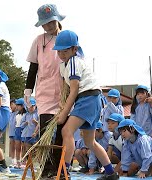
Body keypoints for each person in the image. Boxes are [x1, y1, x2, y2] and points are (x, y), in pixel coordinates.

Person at [53, 30, 118, 180]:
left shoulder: (75, 61)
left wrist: (64, 114)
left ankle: (64, 172)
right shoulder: (64, 66)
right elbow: (66, 89)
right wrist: (62, 106)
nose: (61, 54)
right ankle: (111, 173)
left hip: (88, 98)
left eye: (65, 50)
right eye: (59, 51)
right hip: (91, 100)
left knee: (66, 131)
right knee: (90, 141)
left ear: (74, 49)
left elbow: (74, 89)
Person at [23, 4, 66, 177]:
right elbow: (33, 67)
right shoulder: (39, 41)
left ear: (57, 19)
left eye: (51, 22)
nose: (48, 26)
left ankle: (60, 168)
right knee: (45, 130)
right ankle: (47, 168)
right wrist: (28, 90)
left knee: (62, 132)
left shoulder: (66, 37)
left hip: (64, 92)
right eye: (45, 24)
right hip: (45, 91)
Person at [13, 98, 26, 169]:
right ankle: (18, 162)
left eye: (18, 105)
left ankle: (24, 162)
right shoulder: (17, 114)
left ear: (22, 106)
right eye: (16, 105)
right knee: (17, 147)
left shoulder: (26, 114)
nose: (17, 107)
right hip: (17, 129)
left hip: (24, 130)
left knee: (24, 147)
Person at [8, 99, 17, 167]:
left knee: (18, 147)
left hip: (17, 132)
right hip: (11, 132)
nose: (10, 106)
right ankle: (13, 161)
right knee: (12, 146)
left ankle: (17, 161)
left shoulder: (18, 113)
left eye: (12, 104)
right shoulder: (10, 113)